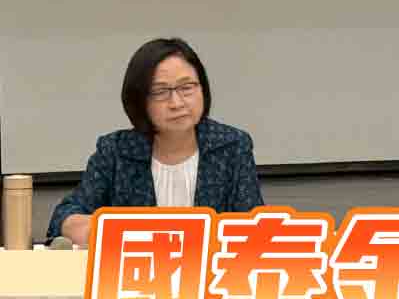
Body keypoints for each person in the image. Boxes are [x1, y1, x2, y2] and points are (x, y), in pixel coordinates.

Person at [47, 38, 265, 244]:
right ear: (139, 101)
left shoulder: (231, 146)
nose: (177, 103)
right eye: (160, 92)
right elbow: (64, 217)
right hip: (136, 268)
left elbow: (256, 227)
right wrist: (105, 231)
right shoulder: (116, 151)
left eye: (187, 87)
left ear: (203, 89)